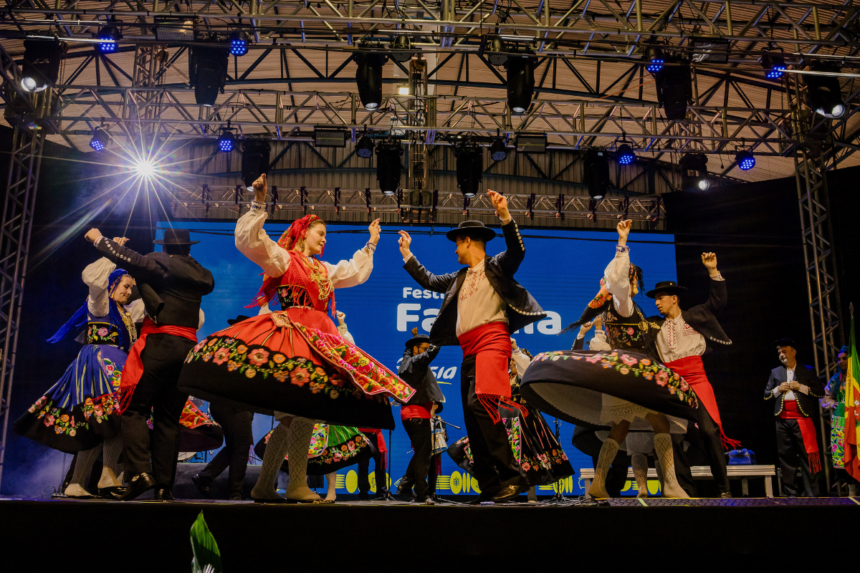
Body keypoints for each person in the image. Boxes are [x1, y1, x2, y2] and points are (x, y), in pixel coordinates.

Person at [178, 174, 413, 503]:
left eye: (327, 236)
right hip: (293, 338)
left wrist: (371, 242)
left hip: (318, 338)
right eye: (321, 234)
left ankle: (269, 484)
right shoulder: (284, 260)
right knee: (298, 413)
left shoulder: (324, 269)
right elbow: (250, 242)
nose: (325, 240)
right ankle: (294, 483)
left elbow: (354, 272)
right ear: (304, 233)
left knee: (295, 416)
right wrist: (259, 202)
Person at [521, 220, 696, 499]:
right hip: (631, 375)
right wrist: (622, 243)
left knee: (621, 427)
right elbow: (618, 284)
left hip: (622, 375)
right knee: (660, 423)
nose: (633, 284)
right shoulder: (622, 305)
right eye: (633, 279)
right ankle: (670, 485)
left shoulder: (621, 309)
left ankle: (601, 483)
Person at [399, 189, 545, 503]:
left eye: (456, 244)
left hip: (492, 344)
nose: (454, 251)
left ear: (467, 241)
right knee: (471, 417)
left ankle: (511, 475)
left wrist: (505, 215)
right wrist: (407, 255)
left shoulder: (497, 266)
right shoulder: (459, 278)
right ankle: (493, 487)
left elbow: (517, 251)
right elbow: (428, 280)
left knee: (484, 405)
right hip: (469, 352)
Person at [83, 227, 214, 501]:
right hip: (187, 351)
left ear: (165, 249)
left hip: (159, 346)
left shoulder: (160, 263)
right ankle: (165, 487)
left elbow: (128, 257)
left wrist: (98, 239)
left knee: (134, 410)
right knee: (168, 418)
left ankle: (141, 472)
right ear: (189, 249)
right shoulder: (200, 273)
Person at [14, 248, 144, 498]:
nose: (128, 292)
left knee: (97, 426)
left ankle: (76, 482)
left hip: (118, 364)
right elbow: (94, 279)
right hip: (99, 363)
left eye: (130, 288)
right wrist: (110, 252)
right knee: (116, 418)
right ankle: (107, 474)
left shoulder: (128, 312)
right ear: (112, 284)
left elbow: (153, 303)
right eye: (125, 286)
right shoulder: (100, 303)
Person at [644, 251, 738, 499]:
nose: (656, 302)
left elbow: (718, 302)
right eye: (655, 299)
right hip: (672, 383)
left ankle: (723, 488)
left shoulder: (694, 315)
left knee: (709, 432)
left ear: (674, 299)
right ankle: (686, 489)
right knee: (673, 438)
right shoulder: (654, 325)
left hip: (696, 379)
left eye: (661, 298)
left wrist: (712, 271)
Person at [765, 338, 824, 497]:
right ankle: (791, 493)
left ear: (793, 352)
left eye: (784, 351)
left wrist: (802, 387)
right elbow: (766, 395)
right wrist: (778, 389)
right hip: (782, 421)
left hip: (802, 420)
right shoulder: (775, 372)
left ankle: (812, 493)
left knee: (808, 457)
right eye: (779, 353)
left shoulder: (807, 370)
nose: (782, 355)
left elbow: (820, 392)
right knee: (786, 457)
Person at [395, 327, 446, 504]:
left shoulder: (407, 362)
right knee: (424, 456)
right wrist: (438, 339)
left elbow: (415, 351)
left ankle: (405, 486)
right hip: (417, 414)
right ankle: (422, 494)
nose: (426, 350)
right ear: (416, 350)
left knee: (421, 453)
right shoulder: (415, 363)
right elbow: (429, 354)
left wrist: (415, 338)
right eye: (423, 348)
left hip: (412, 414)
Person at [821, 346, 860, 495]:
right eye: (839, 359)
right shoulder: (836, 379)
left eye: (844, 359)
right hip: (841, 421)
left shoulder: (858, 377)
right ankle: (852, 491)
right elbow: (826, 397)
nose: (840, 362)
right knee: (844, 455)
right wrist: (833, 404)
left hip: (856, 421)